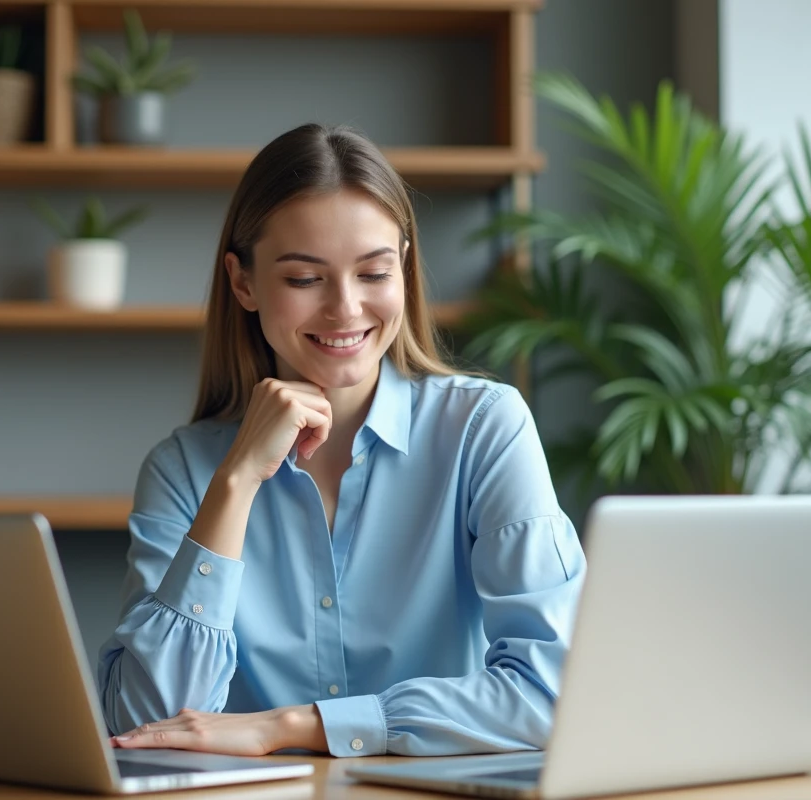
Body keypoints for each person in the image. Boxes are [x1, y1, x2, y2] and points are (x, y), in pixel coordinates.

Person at [96, 123, 586, 758]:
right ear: (243, 282)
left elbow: (554, 692)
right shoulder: (185, 471)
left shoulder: (483, 429)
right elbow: (149, 722)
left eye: (374, 272)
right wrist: (238, 481)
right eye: (305, 279)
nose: (346, 309)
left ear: (404, 267)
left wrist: (292, 726)